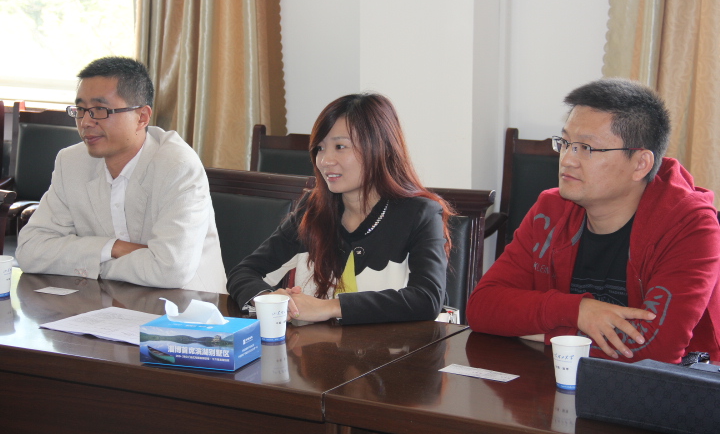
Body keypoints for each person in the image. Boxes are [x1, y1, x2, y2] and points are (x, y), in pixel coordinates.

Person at [467, 78, 720, 364]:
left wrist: (546, 334)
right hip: (556, 379)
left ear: (640, 164)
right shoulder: (550, 210)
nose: (567, 159)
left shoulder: (690, 226)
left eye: (586, 148)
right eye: (565, 143)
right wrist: (578, 311)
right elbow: (482, 308)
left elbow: (654, 352)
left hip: (672, 388)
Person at [226, 93, 453, 324]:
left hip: (397, 347)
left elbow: (427, 299)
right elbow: (244, 272)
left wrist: (329, 307)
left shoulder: (420, 214)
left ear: (380, 148)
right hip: (319, 346)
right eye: (320, 148)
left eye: (340, 146)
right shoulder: (313, 210)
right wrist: (270, 300)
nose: (325, 160)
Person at [16, 56, 226, 293]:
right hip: (102, 301)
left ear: (142, 117)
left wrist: (89, 263)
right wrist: (113, 248)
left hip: (184, 305)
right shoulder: (71, 162)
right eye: (81, 110)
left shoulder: (178, 166)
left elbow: (170, 270)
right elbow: (29, 250)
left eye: (100, 110)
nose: (85, 122)